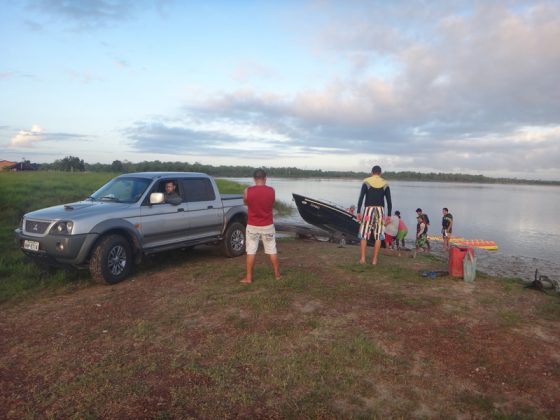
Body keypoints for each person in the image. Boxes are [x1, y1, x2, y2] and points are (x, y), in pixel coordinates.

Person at [241, 168, 281, 283]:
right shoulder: (271, 191)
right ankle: (277, 275)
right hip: (267, 225)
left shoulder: (247, 191)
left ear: (254, 179)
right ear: (265, 178)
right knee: (272, 250)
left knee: (251, 251)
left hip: (252, 225)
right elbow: (271, 203)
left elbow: (245, 202)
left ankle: (248, 278)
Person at [356, 165, 392, 265]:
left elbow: (361, 198)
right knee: (378, 236)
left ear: (372, 172)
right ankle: (374, 260)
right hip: (380, 211)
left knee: (364, 235)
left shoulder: (366, 182)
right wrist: (389, 215)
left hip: (368, 210)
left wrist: (358, 211)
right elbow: (389, 202)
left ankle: (363, 259)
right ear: (380, 173)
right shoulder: (385, 183)